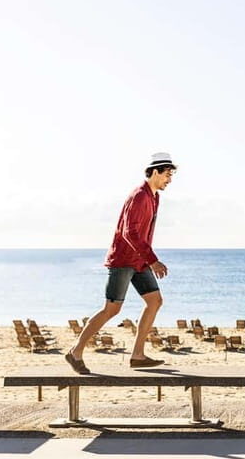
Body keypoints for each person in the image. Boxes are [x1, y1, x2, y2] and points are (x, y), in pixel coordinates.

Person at [64, 152, 177, 374]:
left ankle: (137, 355)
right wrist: (153, 260)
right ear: (155, 172)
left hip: (139, 261)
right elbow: (129, 232)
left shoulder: (154, 197)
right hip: (124, 260)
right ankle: (75, 352)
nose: (169, 180)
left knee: (154, 301)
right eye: (167, 174)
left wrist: (147, 260)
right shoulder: (139, 196)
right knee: (112, 309)